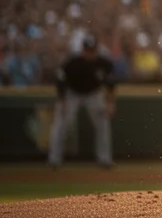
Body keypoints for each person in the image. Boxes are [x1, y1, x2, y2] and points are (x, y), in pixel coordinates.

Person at [48, 35, 117, 169]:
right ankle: (54, 159)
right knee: (61, 124)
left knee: (103, 123)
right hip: (72, 94)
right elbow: (60, 81)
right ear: (82, 50)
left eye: (92, 50)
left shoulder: (104, 63)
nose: (89, 53)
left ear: (96, 50)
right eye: (87, 50)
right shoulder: (73, 63)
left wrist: (110, 103)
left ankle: (105, 159)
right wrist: (62, 102)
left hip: (94, 94)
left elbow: (111, 84)